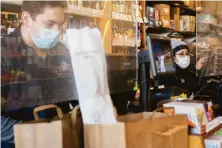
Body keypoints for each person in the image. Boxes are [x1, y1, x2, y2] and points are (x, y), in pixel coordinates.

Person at [1, 1, 77, 146]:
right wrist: (36, 135)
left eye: (60, 25)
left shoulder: (61, 52)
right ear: (26, 19)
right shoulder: (4, 54)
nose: (57, 31)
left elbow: (73, 93)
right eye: (50, 24)